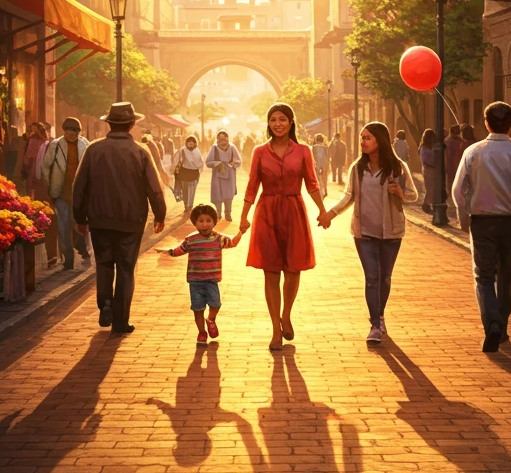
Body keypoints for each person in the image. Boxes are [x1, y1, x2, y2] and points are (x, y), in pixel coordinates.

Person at [452, 102, 511, 352]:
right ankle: (501, 328)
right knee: (506, 275)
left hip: (482, 221)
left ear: (485, 122)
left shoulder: (473, 152)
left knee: (483, 276)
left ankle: (492, 321)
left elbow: (457, 190)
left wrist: (466, 211)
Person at [240, 103, 330, 351]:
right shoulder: (259, 151)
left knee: (293, 270)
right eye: (272, 120)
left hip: (293, 210)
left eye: (282, 119)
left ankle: (286, 314)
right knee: (270, 271)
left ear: (291, 123)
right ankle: (275, 329)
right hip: (267, 212)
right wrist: (244, 216)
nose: (277, 124)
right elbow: (251, 185)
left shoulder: (303, 151)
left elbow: (312, 183)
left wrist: (323, 210)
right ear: (268, 124)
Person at [72, 102, 166, 336]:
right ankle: (121, 321)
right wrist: (160, 214)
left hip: (99, 218)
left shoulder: (93, 150)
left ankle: (105, 304)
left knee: (104, 265)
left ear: (109, 123)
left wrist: (79, 217)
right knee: (125, 268)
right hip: (130, 221)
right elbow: (154, 189)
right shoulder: (140, 152)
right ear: (132, 124)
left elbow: (78, 186)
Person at [322, 121, 417, 345]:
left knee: (384, 278)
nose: (362, 142)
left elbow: (413, 196)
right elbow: (348, 196)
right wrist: (330, 214)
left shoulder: (397, 166)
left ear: (379, 140)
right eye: (362, 138)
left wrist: (401, 192)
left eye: (367, 138)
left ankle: (380, 315)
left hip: (391, 232)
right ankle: (375, 324)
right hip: (364, 232)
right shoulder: (358, 167)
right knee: (372, 277)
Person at [156, 203, 243, 345]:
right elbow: (180, 250)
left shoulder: (218, 238)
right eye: (201, 221)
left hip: (211, 280)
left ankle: (211, 319)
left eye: (208, 220)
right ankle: (202, 332)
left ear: (214, 222)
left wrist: (241, 233)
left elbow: (232, 242)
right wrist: (168, 251)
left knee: (215, 304)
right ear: (195, 222)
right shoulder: (191, 239)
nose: (205, 224)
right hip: (195, 281)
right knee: (197, 309)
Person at [40, 117, 90, 270]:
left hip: (80, 195)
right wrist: (51, 188)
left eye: (75, 131)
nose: (72, 133)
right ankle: (68, 259)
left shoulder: (85, 145)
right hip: (61, 193)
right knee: (63, 228)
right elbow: (45, 167)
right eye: (69, 130)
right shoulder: (55, 146)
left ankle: (83, 249)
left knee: (80, 224)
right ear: (64, 130)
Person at [206, 130, 243, 221]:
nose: (222, 140)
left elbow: (238, 161)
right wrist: (218, 164)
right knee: (217, 195)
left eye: (224, 138)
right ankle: (218, 214)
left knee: (229, 195)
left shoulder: (232, 147)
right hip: (217, 175)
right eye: (220, 138)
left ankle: (228, 214)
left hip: (230, 175)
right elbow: (208, 162)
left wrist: (232, 164)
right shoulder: (214, 148)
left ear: (227, 138)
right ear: (217, 139)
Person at [174, 135, 204, 212]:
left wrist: (199, 168)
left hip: (194, 173)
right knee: (185, 191)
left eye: (192, 142)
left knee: (192, 191)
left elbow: (201, 162)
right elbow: (176, 160)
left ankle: (190, 206)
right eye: (189, 142)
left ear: (195, 143)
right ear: (186, 143)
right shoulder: (182, 150)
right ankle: (186, 205)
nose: (190, 143)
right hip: (184, 173)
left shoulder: (197, 151)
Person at [418, 129, 437, 213]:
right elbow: (426, 160)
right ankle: (426, 204)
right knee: (429, 188)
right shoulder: (423, 148)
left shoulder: (432, 146)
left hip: (433, 169)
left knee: (433, 188)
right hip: (428, 169)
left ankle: (430, 203)